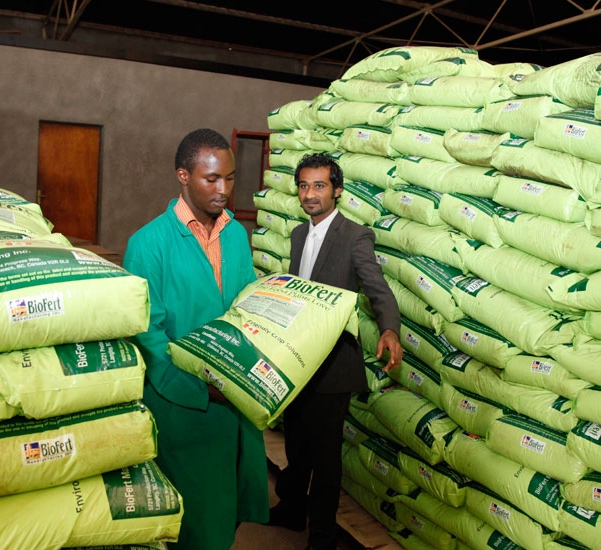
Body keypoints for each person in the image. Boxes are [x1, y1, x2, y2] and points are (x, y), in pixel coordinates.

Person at [122, 128, 269, 550]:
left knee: (231, 510)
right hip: (185, 408)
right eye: (211, 179)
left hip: (236, 402)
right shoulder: (148, 244)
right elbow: (149, 336)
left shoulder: (236, 235)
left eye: (230, 177)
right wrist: (199, 387)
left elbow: (245, 307)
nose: (224, 190)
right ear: (183, 176)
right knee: (192, 521)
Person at [266, 152, 403, 550]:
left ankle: (322, 537)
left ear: (337, 190)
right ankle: (291, 511)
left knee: (325, 458)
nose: (310, 194)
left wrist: (389, 329)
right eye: (304, 186)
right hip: (297, 360)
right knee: (296, 445)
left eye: (319, 186)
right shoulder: (296, 234)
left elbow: (377, 289)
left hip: (332, 365)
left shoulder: (355, 236)